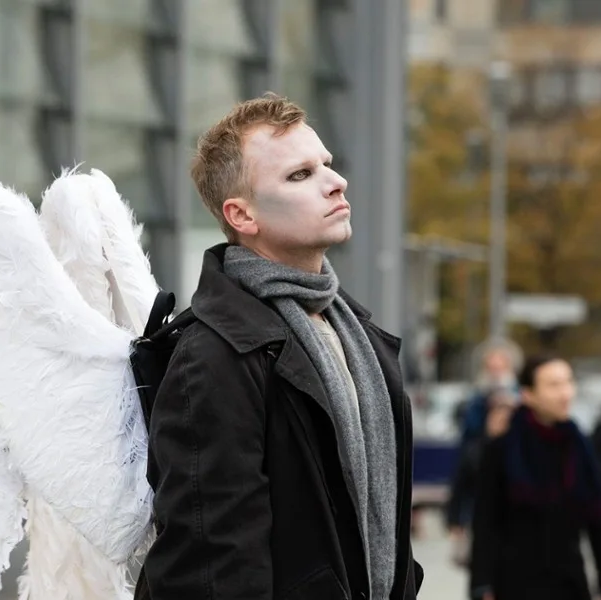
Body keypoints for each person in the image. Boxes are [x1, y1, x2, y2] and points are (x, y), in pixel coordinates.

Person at [136, 94, 422, 599]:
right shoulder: (215, 354)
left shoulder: (357, 334)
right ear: (242, 215)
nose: (336, 182)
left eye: (326, 165)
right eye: (300, 175)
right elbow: (210, 570)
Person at [469, 356, 601, 600]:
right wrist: (481, 584)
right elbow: (485, 519)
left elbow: (597, 520)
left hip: (569, 582)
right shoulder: (505, 446)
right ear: (528, 394)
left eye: (568, 382)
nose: (565, 393)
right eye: (553, 385)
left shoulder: (579, 446)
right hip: (514, 581)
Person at [445, 388, 514, 567]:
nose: (501, 423)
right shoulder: (475, 449)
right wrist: (454, 521)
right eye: (497, 418)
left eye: (506, 420)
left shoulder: (519, 451)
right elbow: (459, 487)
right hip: (478, 521)